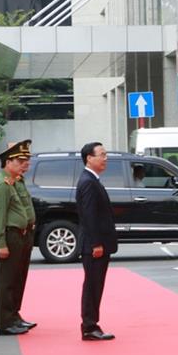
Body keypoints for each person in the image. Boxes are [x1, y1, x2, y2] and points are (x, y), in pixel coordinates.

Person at [0, 140, 36, 336]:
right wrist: (1, 243)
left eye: (26, 160)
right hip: (9, 236)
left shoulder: (17, 180)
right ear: (8, 162)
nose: (25, 164)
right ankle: (4, 322)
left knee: (18, 278)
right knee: (7, 281)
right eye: (20, 160)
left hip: (23, 235)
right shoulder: (2, 184)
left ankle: (14, 315)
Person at [76, 142, 117, 341]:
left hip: (97, 244)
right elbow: (89, 216)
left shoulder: (93, 180)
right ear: (89, 158)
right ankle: (89, 326)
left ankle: (92, 324)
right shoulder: (88, 182)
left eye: (105, 154)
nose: (105, 158)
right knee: (92, 285)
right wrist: (96, 244)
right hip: (94, 246)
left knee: (95, 285)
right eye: (101, 154)